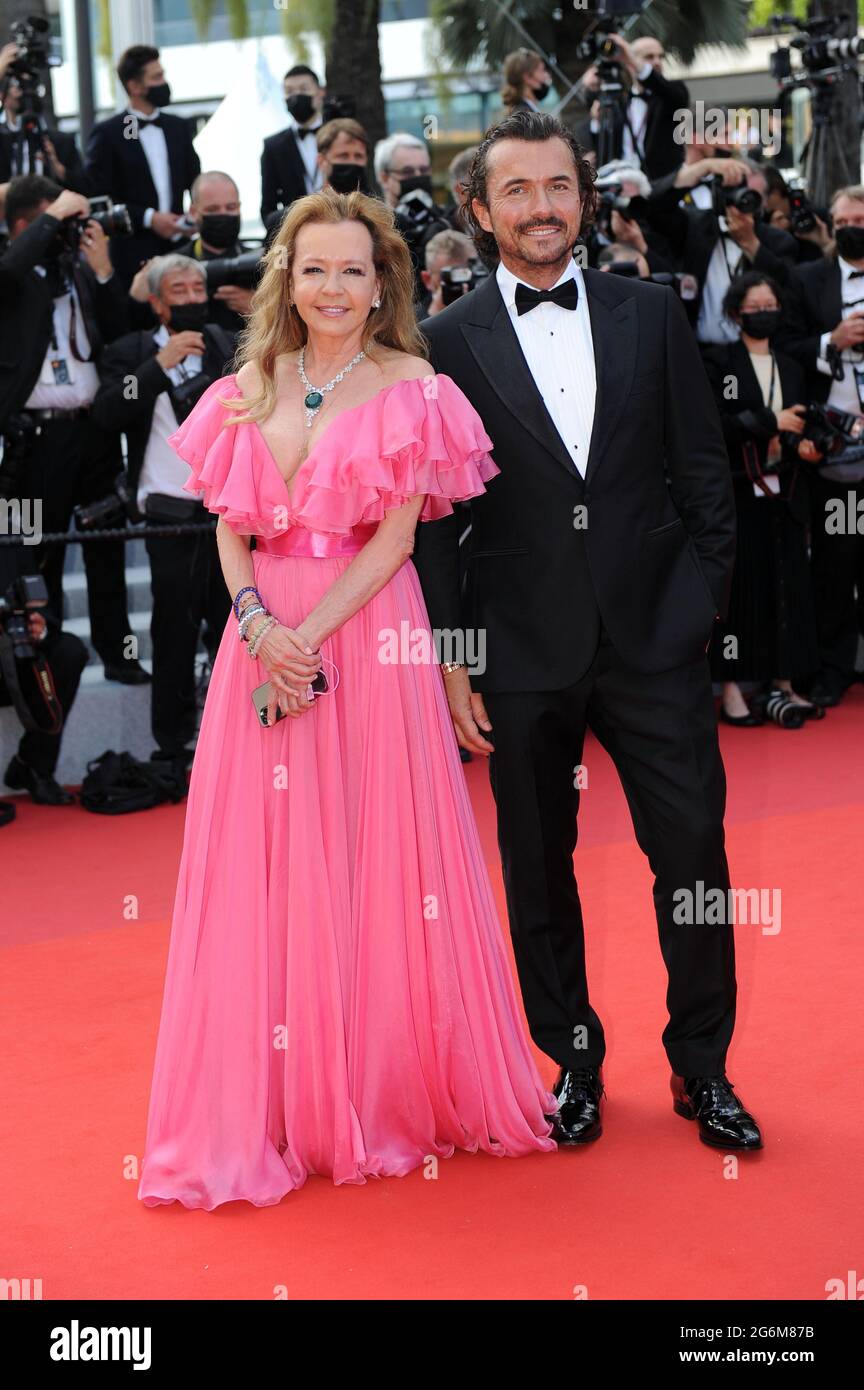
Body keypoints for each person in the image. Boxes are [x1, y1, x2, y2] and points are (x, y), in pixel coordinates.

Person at [137, 187, 558, 1210]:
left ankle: (377, 1088)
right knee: (266, 863)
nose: (332, 287)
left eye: (353, 271)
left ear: (383, 287)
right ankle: (277, 1096)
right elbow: (231, 522)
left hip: (364, 632)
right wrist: (257, 628)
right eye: (314, 268)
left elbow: (399, 541)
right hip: (262, 634)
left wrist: (306, 641)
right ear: (289, 275)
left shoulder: (415, 385)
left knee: (375, 847)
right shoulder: (250, 379)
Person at [413, 109, 763, 1152]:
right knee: (537, 863)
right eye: (516, 191)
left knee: (693, 852)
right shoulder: (442, 343)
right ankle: (573, 1061)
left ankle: (704, 1068)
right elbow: (438, 521)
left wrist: (702, 602)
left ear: (584, 195)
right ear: (480, 210)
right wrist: (456, 659)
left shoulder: (650, 312)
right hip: (520, 647)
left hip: (655, 633)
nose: (541, 207)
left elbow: (704, 472)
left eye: (557, 186)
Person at [92, 255, 236, 783]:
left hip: (228, 514)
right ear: (156, 301)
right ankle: (172, 747)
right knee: (173, 632)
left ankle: (242, 741)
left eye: (199, 286)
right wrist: (156, 367)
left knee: (236, 632)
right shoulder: (131, 352)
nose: (192, 296)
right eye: (179, 288)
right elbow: (108, 411)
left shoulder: (228, 343)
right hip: (167, 514)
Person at [0, 176, 145, 686]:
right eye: (57, 221)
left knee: (106, 548)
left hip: (94, 431)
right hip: (35, 442)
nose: (69, 231)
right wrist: (52, 217)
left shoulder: (78, 270)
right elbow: (10, 269)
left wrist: (105, 274)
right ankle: (45, 658)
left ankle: (118, 654)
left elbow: (121, 336)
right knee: (40, 554)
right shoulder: (14, 273)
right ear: (26, 227)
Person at [701, 272, 823, 727]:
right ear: (736, 314)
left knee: (789, 584)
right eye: (755, 307)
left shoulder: (791, 366)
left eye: (771, 304)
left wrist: (807, 444)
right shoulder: (720, 364)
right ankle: (732, 690)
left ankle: (785, 683)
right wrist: (770, 420)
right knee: (741, 590)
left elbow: (804, 421)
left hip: (787, 490)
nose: (764, 312)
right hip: (737, 490)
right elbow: (716, 423)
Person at [776, 185, 864, 707]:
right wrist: (833, 340)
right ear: (830, 225)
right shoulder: (807, 278)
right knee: (834, 563)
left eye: (860, 216)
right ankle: (834, 668)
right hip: (833, 450)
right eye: (844, 218)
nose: (852, 224)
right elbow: (785, 343)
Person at [80, 45, 201, 288]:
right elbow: (100, 194)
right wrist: (149, 218)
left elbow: (195, 179)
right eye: (156, 77)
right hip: (132, 252)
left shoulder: (178, 127)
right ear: (134, 87)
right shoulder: (110, 132)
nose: (164, 82)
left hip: (180, 248)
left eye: (163, 74)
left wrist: (194, 214)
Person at [259, 65, 325, 223]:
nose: (296, 96)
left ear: (320, 93)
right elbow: (268, 207)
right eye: (289, 91)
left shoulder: (340, 136)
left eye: (304, 89)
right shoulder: (273, 147)